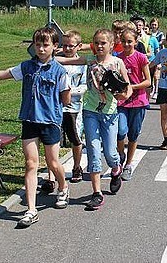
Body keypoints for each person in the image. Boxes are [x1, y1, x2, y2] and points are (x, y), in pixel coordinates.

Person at [0, 27, 71, 228]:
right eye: (37, 44)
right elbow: (4, 74)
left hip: (50, 122)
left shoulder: (60, 72)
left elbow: (65, 99)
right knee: (31, 163)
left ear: (55, 47)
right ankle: (31, 210)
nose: (41, 48)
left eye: (45, 45)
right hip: (30, 121)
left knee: (53, 162)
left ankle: (63, 187)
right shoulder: (27, 67)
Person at [57, 29, 131, 210]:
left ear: (111, 45)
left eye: (103, 43)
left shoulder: (117, 62)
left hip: (109, 114)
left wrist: (123, 96)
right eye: (96, 42)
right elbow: (67, 60)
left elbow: (127, 89)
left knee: (110, 153)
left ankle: (116, 168)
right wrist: (46, 56)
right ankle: (96, 193)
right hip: (90, 112)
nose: (99, 46)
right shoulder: (89, 60)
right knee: (93, 150)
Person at [116, 29, 151, 181]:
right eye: (123, 41)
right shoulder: (117, 58)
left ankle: (128, 165)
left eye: (129, 41)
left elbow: (148, 81)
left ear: (136, 42)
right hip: (122, 101)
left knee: (133, 135)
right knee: (120, 131)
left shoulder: (141, 57)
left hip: (138, 101)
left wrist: (132, 87)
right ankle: (120, 154)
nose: (126, 44)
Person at [60, 31, 87, 183]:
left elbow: (85, 86)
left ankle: (77, 166)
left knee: (75, 138)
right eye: (65, 46)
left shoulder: (82, 64)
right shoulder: (57, 61)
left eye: (71, 46)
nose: (68, 49)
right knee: (54, 140)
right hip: (57, 107)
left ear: (78, 46)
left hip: (74, 107)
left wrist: (69, 93)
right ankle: (53, 173)